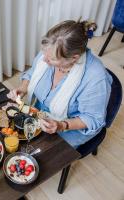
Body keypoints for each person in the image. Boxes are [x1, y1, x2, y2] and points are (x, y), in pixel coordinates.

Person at [7, 20, 112, 148]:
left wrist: (61, 125)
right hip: (41, 112)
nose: (44, 60)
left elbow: (92, 118)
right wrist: (23, 88)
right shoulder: (50, 51)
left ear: (74, 58)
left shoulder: (95, 78)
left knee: (39, 152)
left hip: (71, 125)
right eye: (44, 53)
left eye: (52, 59)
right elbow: (32, 73)